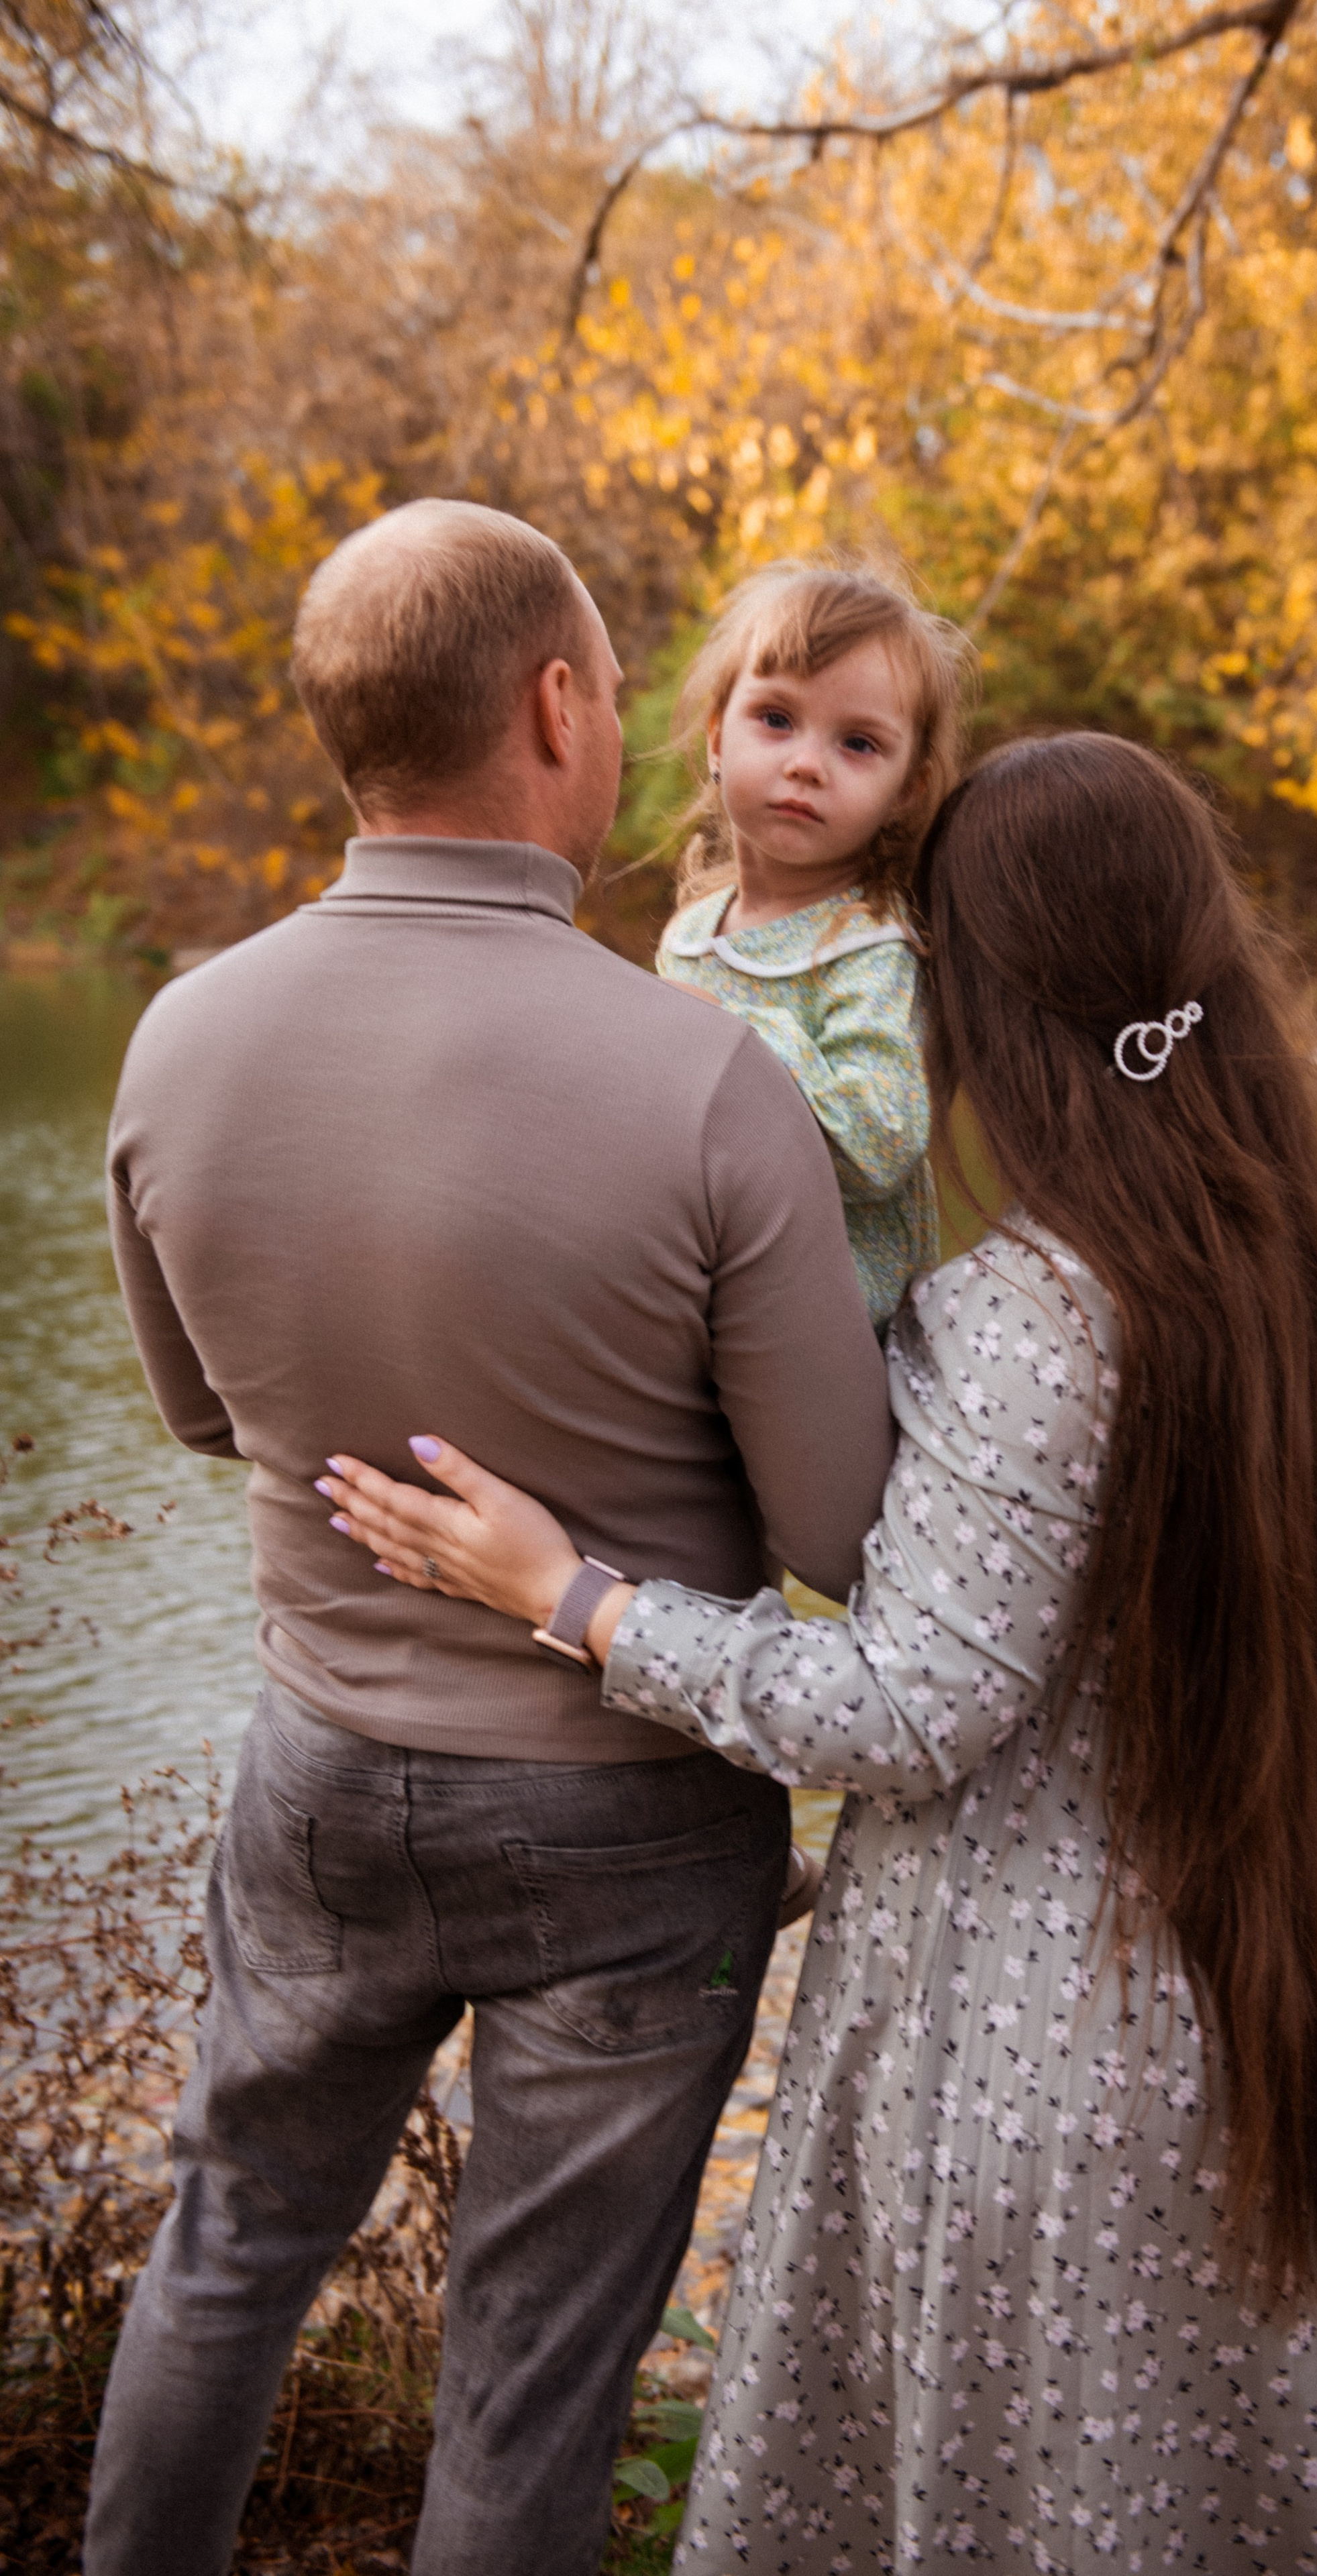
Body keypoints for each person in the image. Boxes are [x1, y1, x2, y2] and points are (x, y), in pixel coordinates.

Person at [321, 732, 1317, 2572]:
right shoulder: (1313, 1249)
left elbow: (903, 1708)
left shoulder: (1031, 1319)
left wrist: (577, 1595)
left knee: (1075, 2474)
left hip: (1065, 2017)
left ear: (981, 1005)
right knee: (1295, 2440)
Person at [87, 498, 896, 2576]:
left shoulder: (177, 1034)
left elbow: (200, 1413)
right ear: (553, 706)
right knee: (528, 2373)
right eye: (620, 691)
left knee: (225, 2247)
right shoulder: (712, 1080)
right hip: (625, 1834)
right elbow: (835, 1527)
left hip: (322, 1779)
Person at [657, 563, 974, 1329]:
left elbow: (879, 1144)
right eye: (775, 719)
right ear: (715, 737)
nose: (805, 763)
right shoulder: (692, 936)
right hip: (698, 1291)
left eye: (858, 743)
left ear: (907, 788)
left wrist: (730, 1030)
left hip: (828, 1337)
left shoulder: (870, 948)